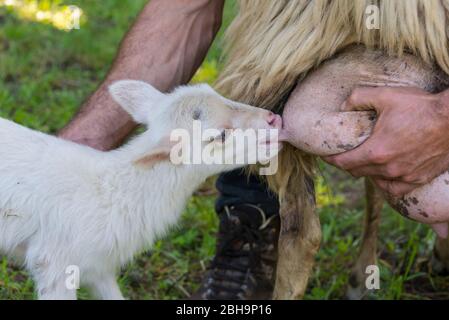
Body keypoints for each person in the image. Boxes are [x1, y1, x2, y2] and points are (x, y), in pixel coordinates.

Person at [60, 0, 449, 299]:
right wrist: (74, 154)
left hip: (434, 51)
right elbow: (185, 13)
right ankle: (254, 221)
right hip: (310, 56)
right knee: (262, 73)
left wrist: (441, 116)